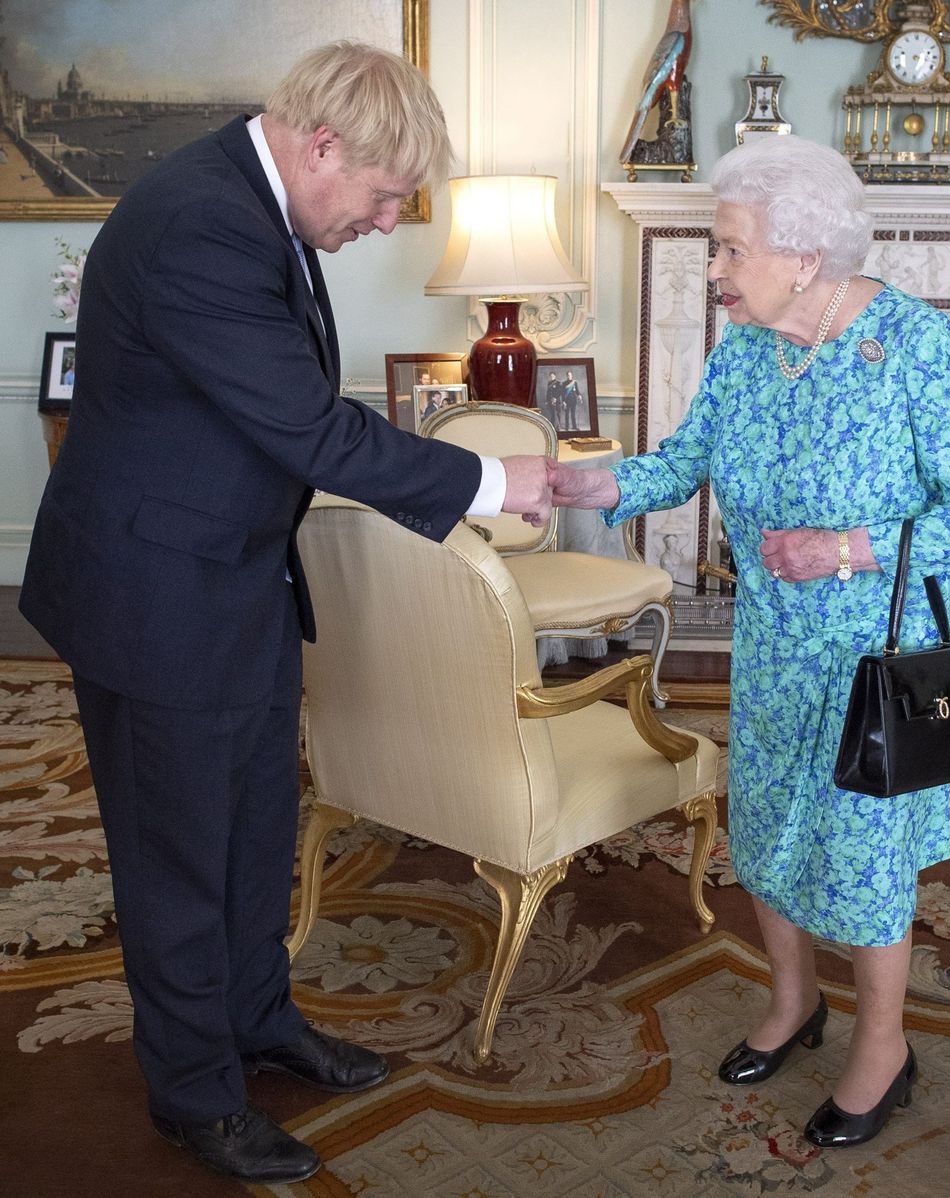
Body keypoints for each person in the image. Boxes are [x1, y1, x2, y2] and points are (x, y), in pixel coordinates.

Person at [19, 41, 554, 1186]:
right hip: (155, 598)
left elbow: (283, 414)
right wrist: (493, 481)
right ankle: (195, 1095)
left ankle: (260, 1023)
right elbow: (311, 427)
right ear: (321, 146)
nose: (379, 220)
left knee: (255, 826)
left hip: (236, 578)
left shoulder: (257, 202)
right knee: (178, 859)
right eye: (377, 196)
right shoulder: (200, 225)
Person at [550, 135, 950, 1150]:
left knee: (862, 854)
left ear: (802, 254)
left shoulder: (911, 346)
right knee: (764, 832)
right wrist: (602, 483)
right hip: (772, 651)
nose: (712, 270)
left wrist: (843, 548)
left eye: (728, 250)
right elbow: (684, 461)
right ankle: (792, 1003)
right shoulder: (746, 354)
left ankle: (881, 1044)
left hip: (874, 659)